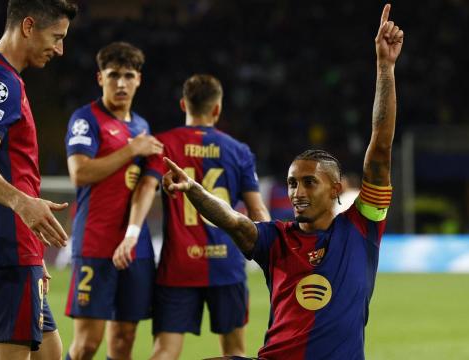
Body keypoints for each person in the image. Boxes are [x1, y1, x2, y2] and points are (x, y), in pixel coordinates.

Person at [160, 4, 403, 359]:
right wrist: (194, 190)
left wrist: (385, 68)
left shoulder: (361, 228)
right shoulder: (275, 238)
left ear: (336, 189)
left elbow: (380, 146)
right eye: (292, 184)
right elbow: (234, 220)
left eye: (309, 183)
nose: (297, 193)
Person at [0, 1, 78, 359]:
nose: (60, 48)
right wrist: (24, 205)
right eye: (56, 37)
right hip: (5, 246)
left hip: (8, 246)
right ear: (27, 26)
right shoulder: (0, 80)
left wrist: (33, 255)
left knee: (51, 353)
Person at [112, 74, 270, 360]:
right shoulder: (239, 151)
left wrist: (132, 234)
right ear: (217, 109)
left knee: (164, 351)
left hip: (179, 266)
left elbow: (146, 187)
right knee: (234, 352)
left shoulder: (163, 145)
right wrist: (275, 255)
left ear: (183, 104)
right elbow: (258, 211)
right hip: (227, 267)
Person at [64, 41, 163, 360]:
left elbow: (145, 185)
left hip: (135, 246)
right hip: (96, 243)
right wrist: (132, 150)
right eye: (113, 75)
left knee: (123, 340)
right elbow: (80, 173)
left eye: (129, 75)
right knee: (86, 346)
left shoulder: (142, 126)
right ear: (100, 78)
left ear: (139, 80)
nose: (121, 83)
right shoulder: (86, 119)